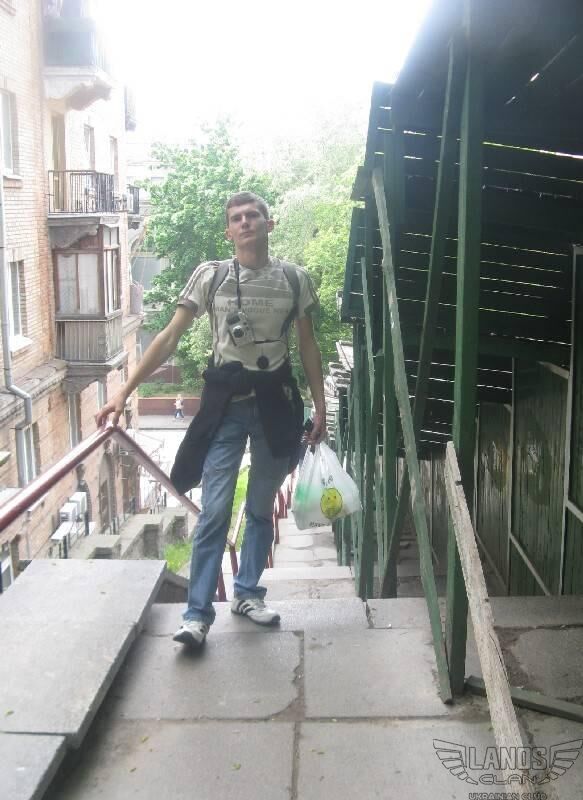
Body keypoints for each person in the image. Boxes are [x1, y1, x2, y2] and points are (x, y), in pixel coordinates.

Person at [96, 192, 326, 648]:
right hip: (227, 406)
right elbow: (169, 337)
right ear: (228, 231)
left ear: (269, 224)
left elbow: (308, 346)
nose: (245, 222)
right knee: (215, 509)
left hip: (276, 405)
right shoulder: (212, 276)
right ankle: (196, 614)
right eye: (236, 218)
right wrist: (123, 391)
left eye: (253, 216)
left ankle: (247, 594)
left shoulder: (293, 279)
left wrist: (320, 406)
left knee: (259, 507)